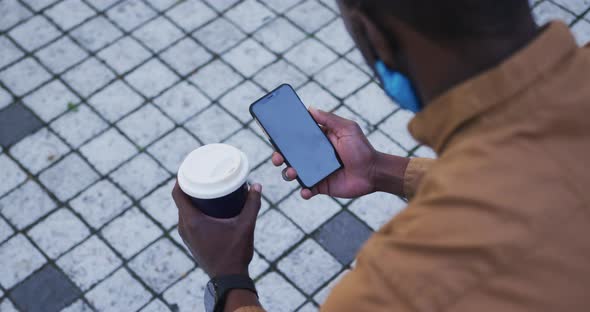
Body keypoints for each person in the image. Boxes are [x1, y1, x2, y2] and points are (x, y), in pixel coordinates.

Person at [172, 0, 590, 310]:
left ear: (374, 37)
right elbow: (526, 181)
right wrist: (383, 170)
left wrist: (229, 278)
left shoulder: (404, 285)